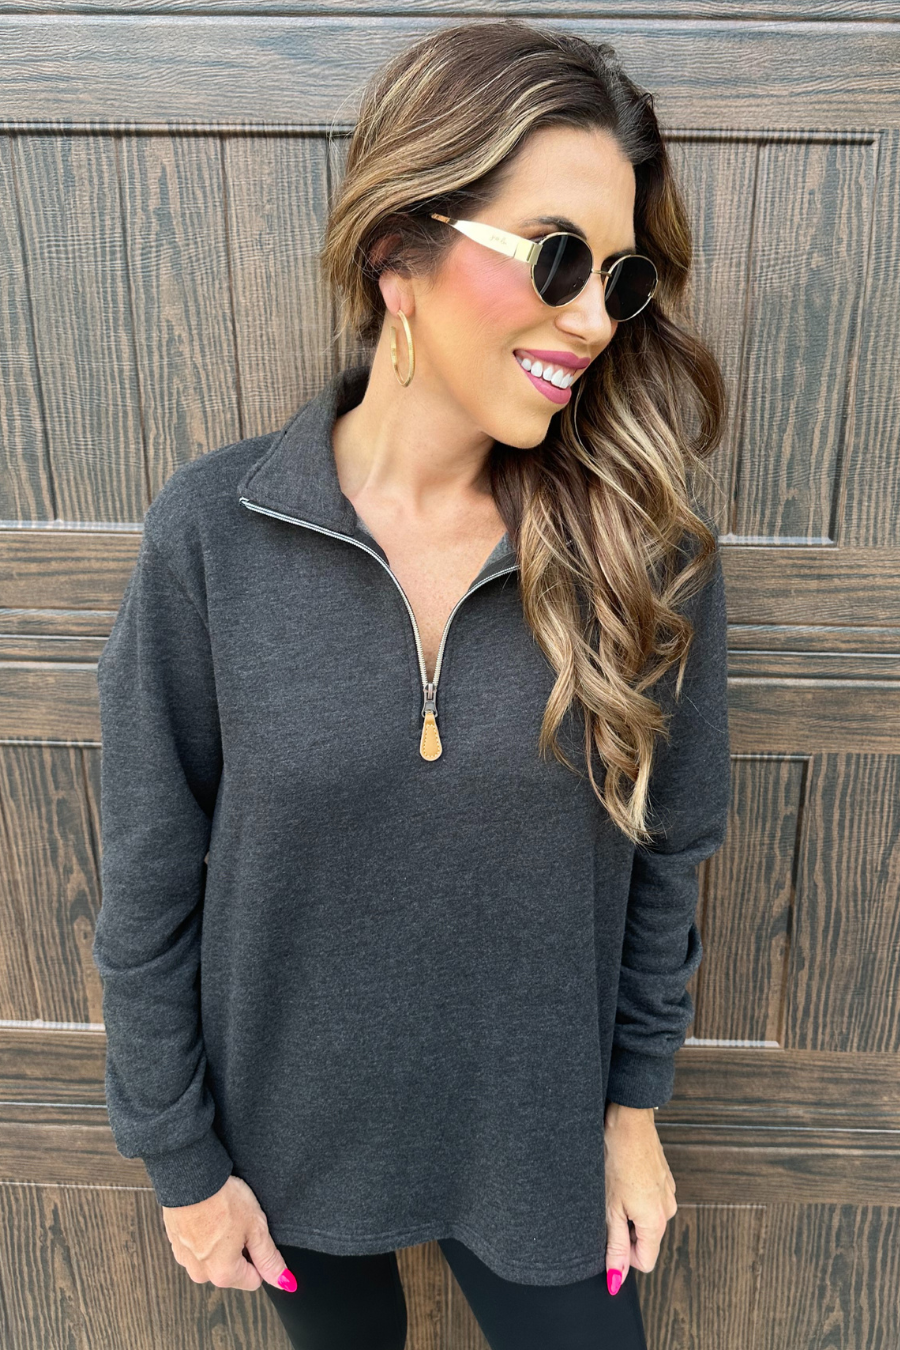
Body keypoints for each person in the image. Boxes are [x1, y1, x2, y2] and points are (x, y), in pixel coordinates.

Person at [92, 18, 730, 1350]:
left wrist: (633, 1111)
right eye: (557, 256)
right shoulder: (213, 532)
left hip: (542, 1142)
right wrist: (181, 1160)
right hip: (284, 1150)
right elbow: (152, 878)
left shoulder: (645, 551)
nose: (592, 317)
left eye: (619, 278)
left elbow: (670, 853)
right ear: (399, 249)